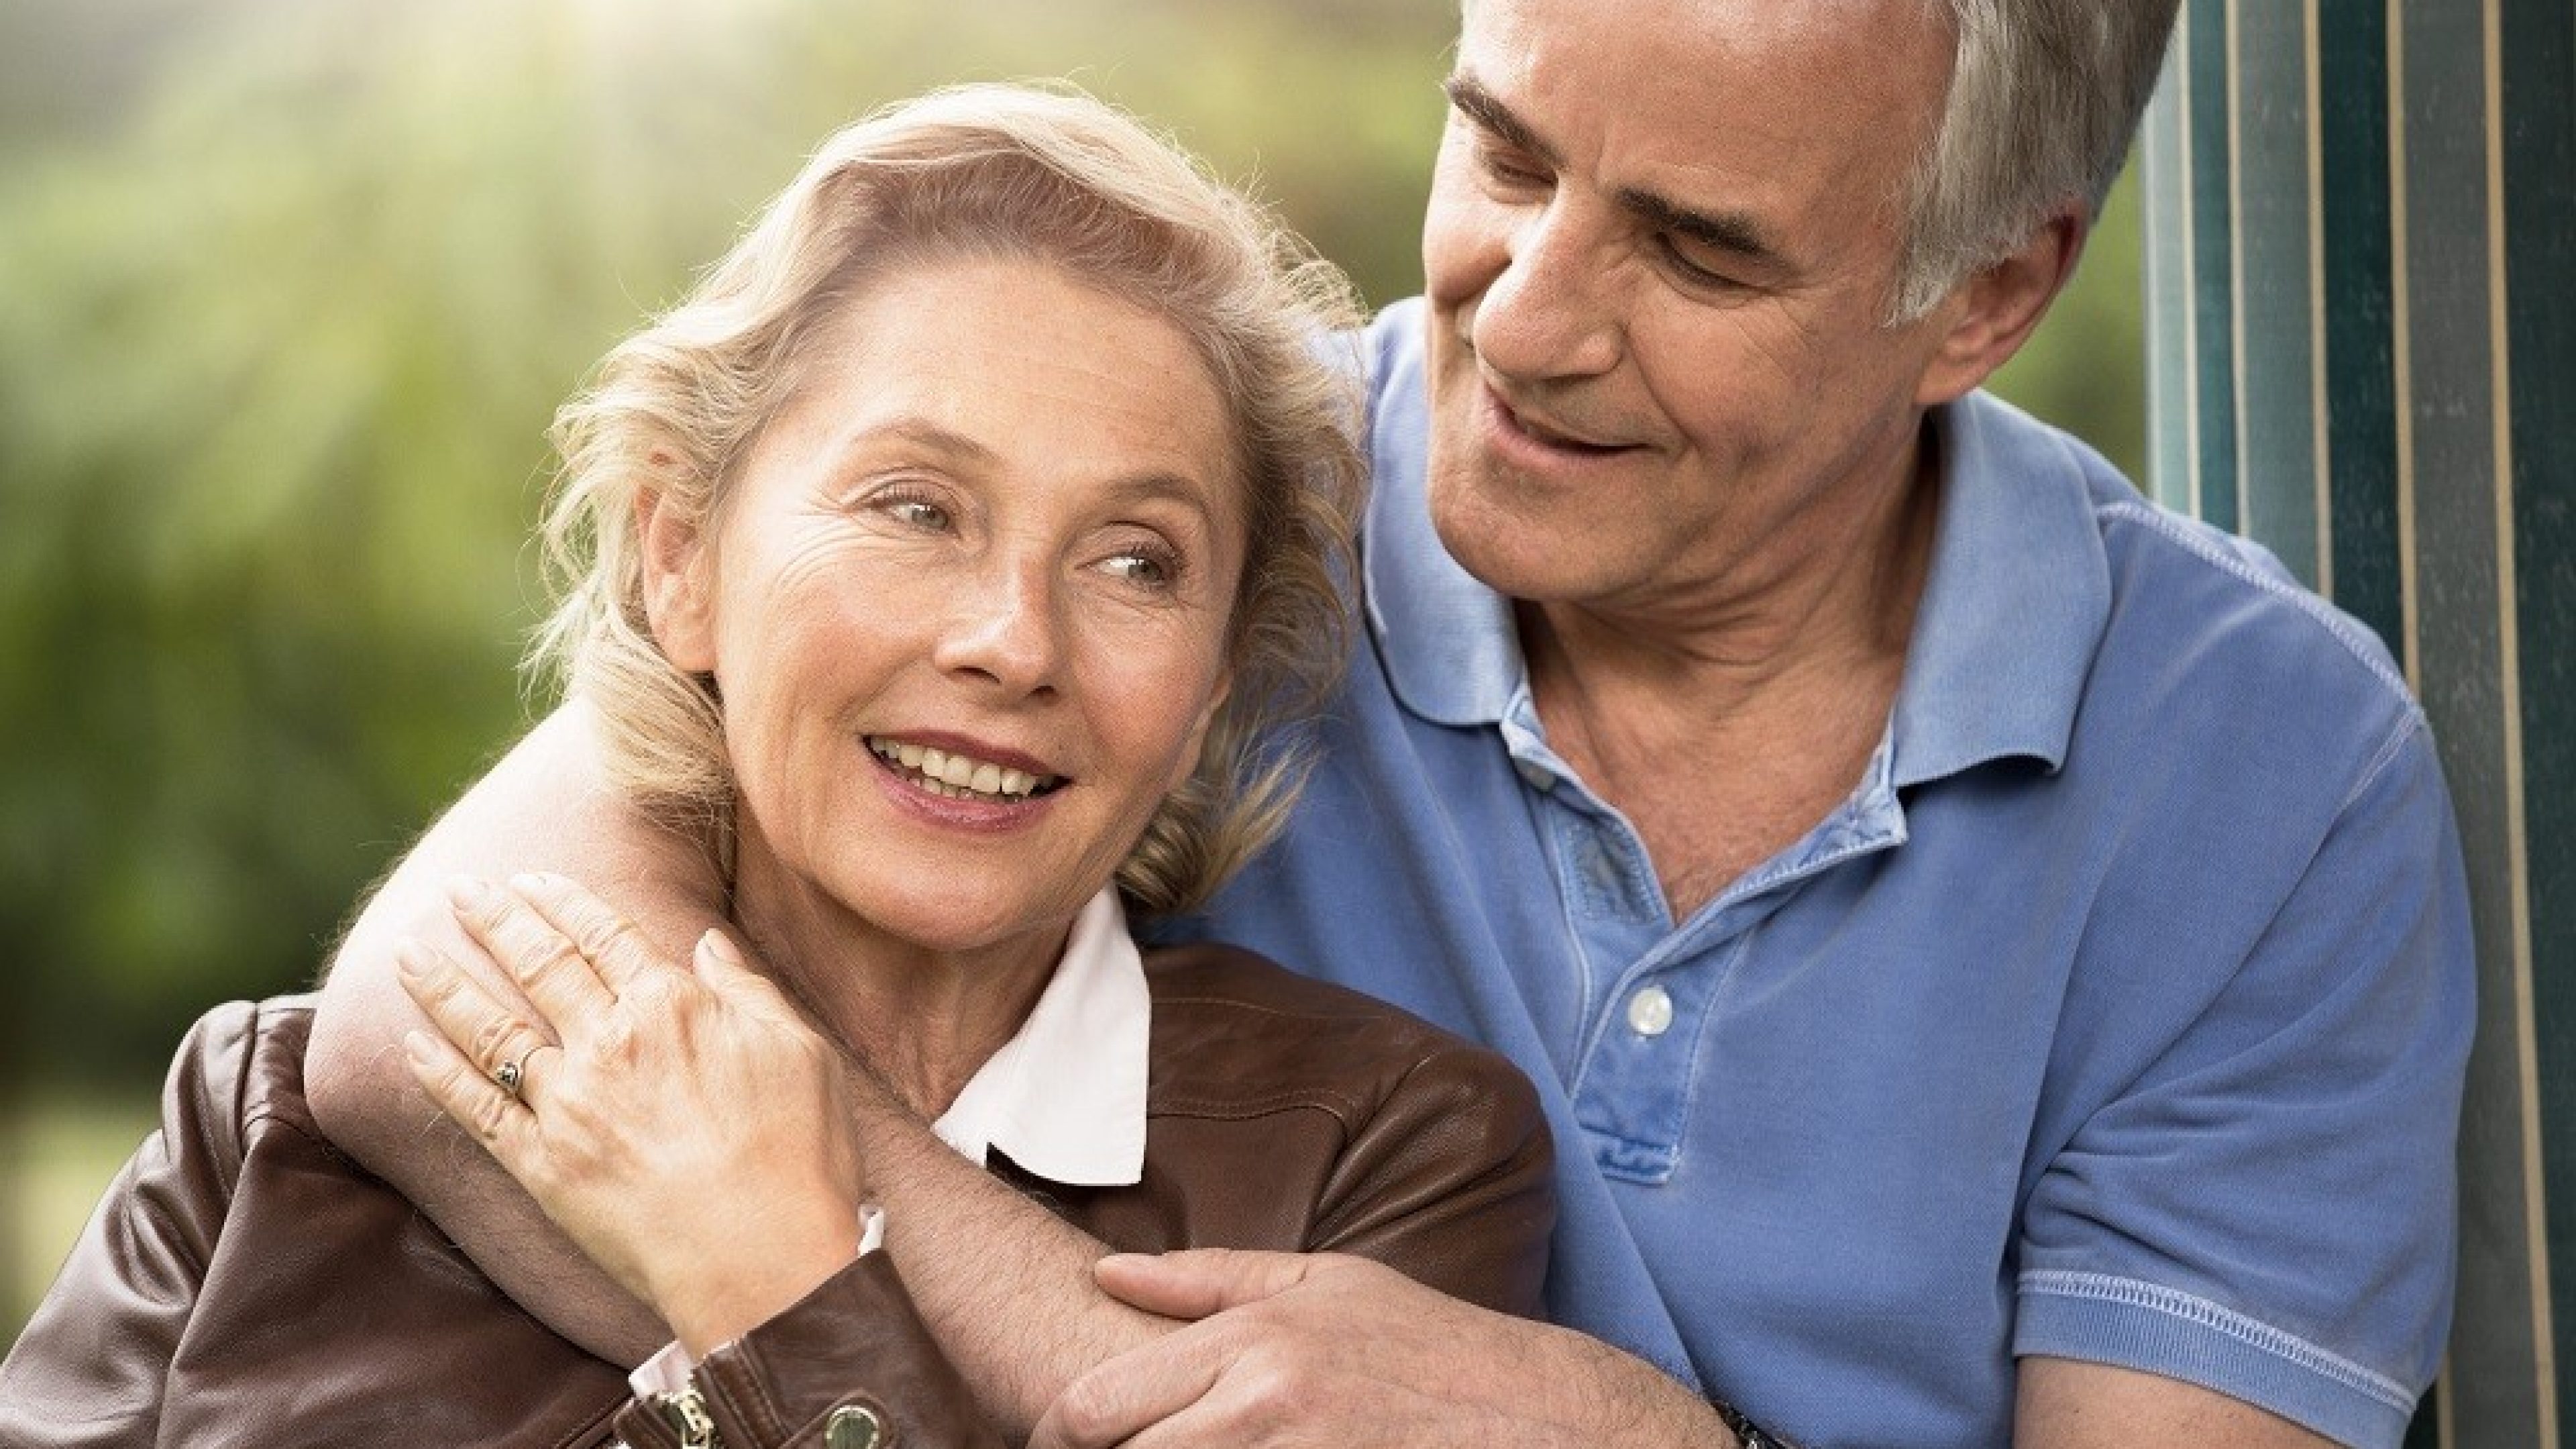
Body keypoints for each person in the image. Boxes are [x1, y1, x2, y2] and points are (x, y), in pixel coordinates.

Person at [301, 0, 2477, 1445]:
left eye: (1696, 254)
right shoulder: (1171, 525)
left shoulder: (2268, 779)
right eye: (1505, 155)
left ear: (1984, 297)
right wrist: (1102, 1367)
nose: (1523, 321)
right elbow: (453, 1004)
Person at [0, 85, 1559, 1448]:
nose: (1015, 644)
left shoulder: (1385, 1164)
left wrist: (789, 1297)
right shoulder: (275, 1121)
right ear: (681, 560)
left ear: (1215, 683)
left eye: (1137, 561)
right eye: (914, 508)